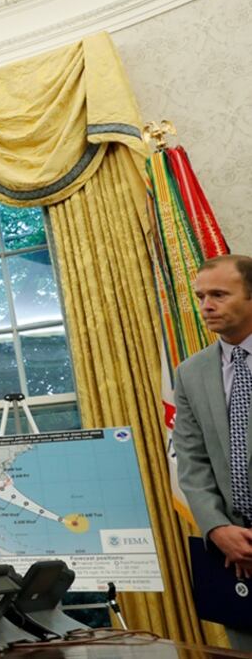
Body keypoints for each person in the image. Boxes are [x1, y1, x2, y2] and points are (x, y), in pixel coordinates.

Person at [174, 254, 252, 651]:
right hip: (234, 557)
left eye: (219, 294)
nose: (206, 305)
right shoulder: (190, 372)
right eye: (201, 295)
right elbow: (191, 460)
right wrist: (217, 529)